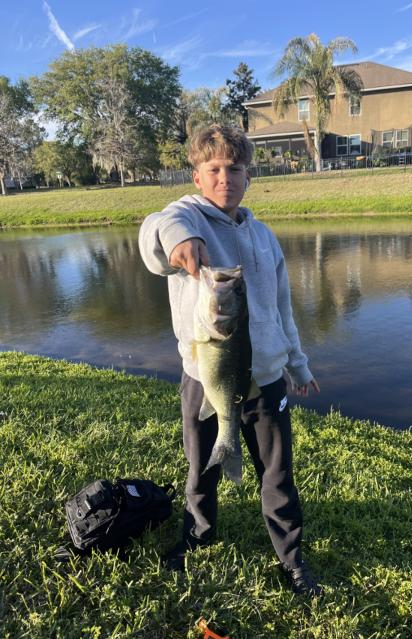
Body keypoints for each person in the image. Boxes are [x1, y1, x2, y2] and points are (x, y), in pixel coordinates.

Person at [138, 124, 322, 597]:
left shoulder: (265, 237)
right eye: (214, 169)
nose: (225, 178)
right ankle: (197, 538)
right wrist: (179, 239)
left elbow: (282, 307)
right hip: (206, 377)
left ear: (248, 177)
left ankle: (292, 558)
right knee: (201, 468)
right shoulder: (185, 218)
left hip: (266, 379)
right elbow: (154, 231)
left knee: (278, 473)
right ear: (197, 176)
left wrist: (297, 364)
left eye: (234, 169)